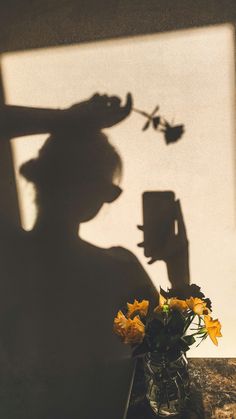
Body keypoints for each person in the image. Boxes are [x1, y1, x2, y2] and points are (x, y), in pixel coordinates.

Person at [0, 93, 158, 419]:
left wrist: (64, 120)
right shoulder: (121, 271)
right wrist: (179, 276)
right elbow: (168, 373)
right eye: (108, 187)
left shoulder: (8, 254)